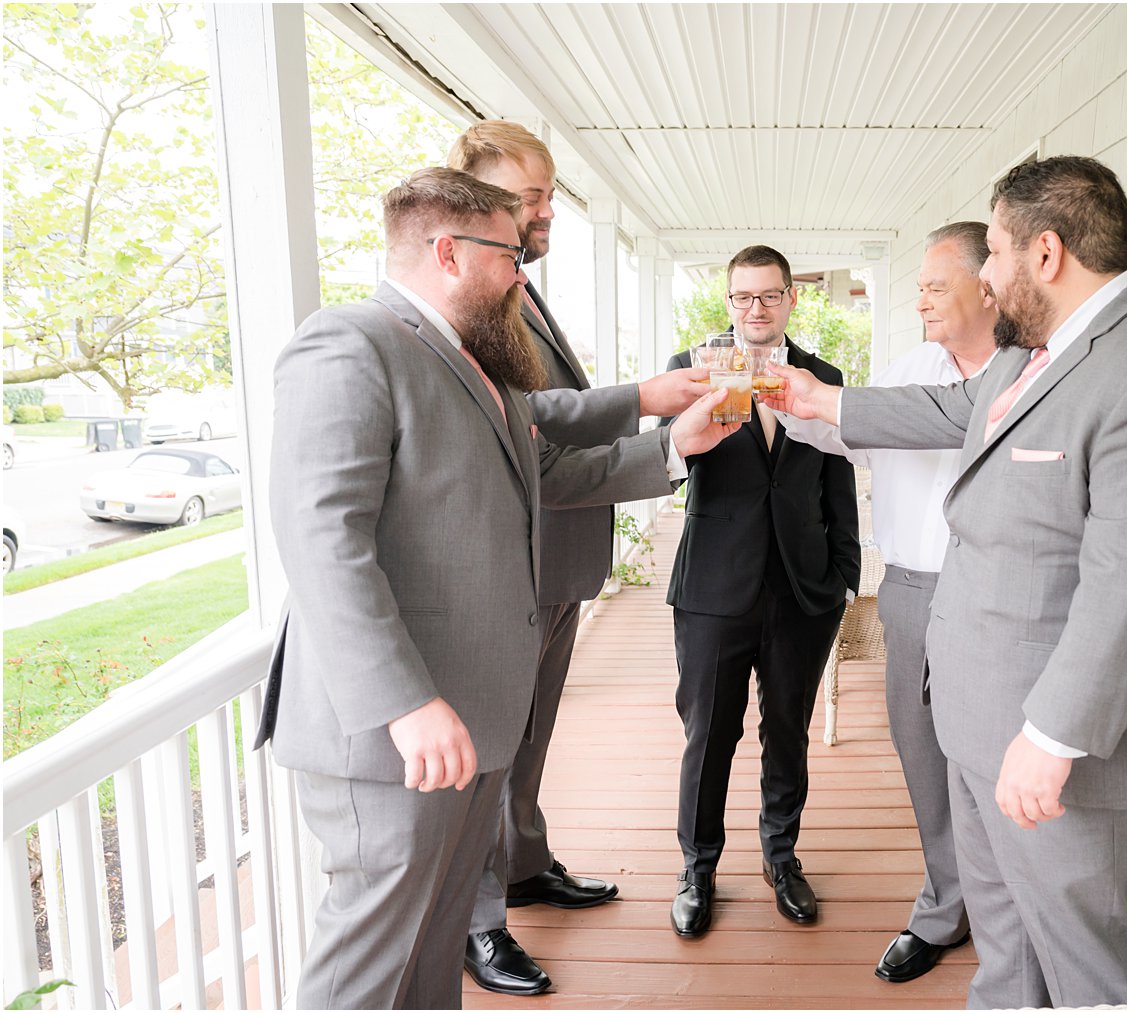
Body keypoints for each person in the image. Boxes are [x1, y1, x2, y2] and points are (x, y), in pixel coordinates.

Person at [253, 167, 740, 1010]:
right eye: (509, 254)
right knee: (368, 959)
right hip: (394, 733)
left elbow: (545, 470)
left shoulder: (477, 362)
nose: (523, 272)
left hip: (475, 716)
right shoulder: (351, 343)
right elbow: (321, 538)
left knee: (436, 938)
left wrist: (674, 449)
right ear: (447, 250)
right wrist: (404, 700)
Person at [763, 155, 1127, 1008]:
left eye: (995, 252)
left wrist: (1053, 737)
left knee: (1081, 949)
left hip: (1055, 742)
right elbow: (951, 412)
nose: (985, 273)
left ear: (1046, 254)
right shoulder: (1042, 352)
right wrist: (820, 400)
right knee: (1006, 938)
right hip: (979, 716)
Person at [445, 120, 711, 995]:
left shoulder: (522, 291)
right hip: (513, 572)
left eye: (549, 193)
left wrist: (640, 397)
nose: (547, 210)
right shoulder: (478, 302)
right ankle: (481, 923)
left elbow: (547, 408)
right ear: (477, 205)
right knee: (495, 753)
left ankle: (525, 865)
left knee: (530, 744)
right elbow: (535, 445)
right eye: (531, 197)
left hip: (556, 571)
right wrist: (660, 428)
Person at [773, 221, 1000, 983]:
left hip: (999, 602)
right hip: (909, 588)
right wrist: (788, 406)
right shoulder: (911, 364)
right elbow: (855, 438)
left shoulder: (1029, 375)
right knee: (921, 750)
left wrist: (826, 402)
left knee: (995, 762)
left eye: (936, 286)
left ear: (988, 286)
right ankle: (945, 905)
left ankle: (1009, 914)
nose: (922, 300)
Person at [663, 245, 860, 938]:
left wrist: (844, 577)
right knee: (708, 734)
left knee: (789, 732)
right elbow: (665, 466)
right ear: (727, 302)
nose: (755, 309)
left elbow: (840, 484)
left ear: (791, 299)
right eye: (742, 297)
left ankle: (782, 855)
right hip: (715, 586)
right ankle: (699, 867)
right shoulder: (689, 371)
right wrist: (698, 423)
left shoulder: (825, 377)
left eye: (769, 296)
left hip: (804, 588)